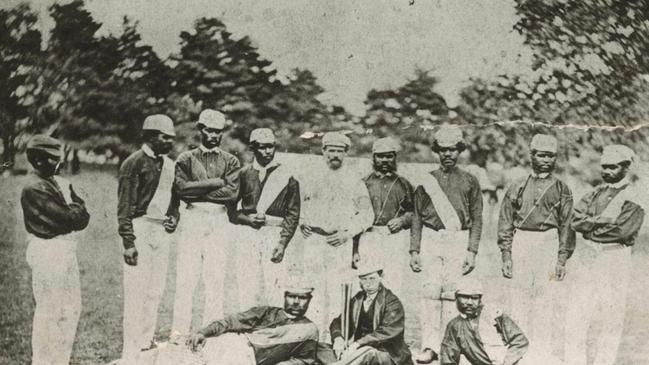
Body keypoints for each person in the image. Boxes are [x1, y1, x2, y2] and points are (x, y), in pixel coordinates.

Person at [409, 124, 483, 363]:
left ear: (459, 151)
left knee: (453, 296)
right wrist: (415, 250)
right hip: (432, 238)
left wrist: (471, 251)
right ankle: (430, 346)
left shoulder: (470, 180)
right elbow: (417, 216)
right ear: (437, 152)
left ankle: (450, 347)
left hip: (458, 239)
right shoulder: (426, 181)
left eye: (453, 150)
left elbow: (478, 218)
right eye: (443, 150)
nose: (448, 154)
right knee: (430, 294)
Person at [564, 145, 645, 365]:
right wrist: (602, 222)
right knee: (578, 311)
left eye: (613, 167)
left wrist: (591, 226)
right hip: (590, 256)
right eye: (604, 167)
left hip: (615, 256)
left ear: (626, 167)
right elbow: (576, 220)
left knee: (612, 314)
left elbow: (622, 230)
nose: (607, 172)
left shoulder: (635, 195)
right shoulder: (596, 193)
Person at [496, 134, 575, 359]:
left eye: (550, 156)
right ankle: (519, 348)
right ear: (532, 156)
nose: (546, 160)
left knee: (545, 296)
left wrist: (561, 259)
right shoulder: (518, 185)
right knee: (519, 295)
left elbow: (567, 226)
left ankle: (542, 351)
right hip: (522, 241)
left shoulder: (562, 188)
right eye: (541, 155)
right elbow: (506, 221)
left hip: (548, 242)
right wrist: (506, 255)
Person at [20, 135, 90, 365]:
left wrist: (76, 211)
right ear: (38, 160)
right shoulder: (34, 187)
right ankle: (42, 361)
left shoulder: (58, 181)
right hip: (47, 248)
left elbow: (83, 217)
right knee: (49, 310)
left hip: (66, 247)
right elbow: (70, 217)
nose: (58, 163)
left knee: (71, 308)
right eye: (52, 159)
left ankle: (60, 360)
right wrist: (75, 210)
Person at [298, 131, 374, 342]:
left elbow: (368, 214)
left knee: (338, 288)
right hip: (314, 239)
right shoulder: (311, 176)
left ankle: (336, 338)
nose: (335, 155)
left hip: (339, 242)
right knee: (312, 286)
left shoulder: (354, 180)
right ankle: (312, 337)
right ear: (323, 151)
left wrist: (347, 233)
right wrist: (301, 222)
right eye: (331, 150)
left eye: (340, 151)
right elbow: (300, 205)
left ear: (346, 154)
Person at [171, 109, 240, 335]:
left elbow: (231, 194)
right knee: (186, 278)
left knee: (215, 278)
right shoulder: (186, 158)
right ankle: (179, 334)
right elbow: (182, 191)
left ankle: (210, 333)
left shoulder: (230, 160)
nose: (213, 135)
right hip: (194, 218)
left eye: (218, 131)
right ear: (201, 130)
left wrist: (199, 190)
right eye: (209, 130)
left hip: (218, 219)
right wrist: (216, 183)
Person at [117, 115, 179, 363]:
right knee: (136, 292)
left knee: (155, 290)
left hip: (160, 230)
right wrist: (129, 242)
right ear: (151, 137)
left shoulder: (171, 165)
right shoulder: (133, 163)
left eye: (171, 138)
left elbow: (175, 199)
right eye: (165, 137)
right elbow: (124, 206)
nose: (169, 142)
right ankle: (130, 352)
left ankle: (145, 343)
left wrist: (174, 217)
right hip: (140, 228)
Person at [228, 128, 300, 309]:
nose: (268, 152)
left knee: (276, 284)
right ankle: (245, 327)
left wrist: (283, 243)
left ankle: (274, 329)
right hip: (248, 233)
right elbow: (230, 211)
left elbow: (293, 213)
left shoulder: (288, 176)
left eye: (271, 147)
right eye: (262, 147)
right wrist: (248, 220)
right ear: (253, 149)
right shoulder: (244, 174)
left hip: (274, 233)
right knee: (246, 283)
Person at [186, 285, 319, 365]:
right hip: (229, 346)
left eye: (302, 298)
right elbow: (230, 322)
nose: (296, 302)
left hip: (248, 360)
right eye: (291, 296)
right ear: (285, 296)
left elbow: (303, 360)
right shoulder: (267, 312)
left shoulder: (310, 329)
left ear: (309, 300)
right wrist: (203, 332)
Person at [323, 258, 413, 365]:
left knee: (368, 353)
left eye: (372, 278)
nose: (368, 284)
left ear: (381, 277)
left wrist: (357, 344)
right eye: (364, 279)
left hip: (387, 354)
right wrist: (338, 338)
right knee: (319, 347)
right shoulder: (358, 298)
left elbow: (387, 331)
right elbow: (339, 321)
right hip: (358, 350)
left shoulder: (392, 302)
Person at [354, 137, 414, 294]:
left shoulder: (404, 184)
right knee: (367, 280)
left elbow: (416, 212)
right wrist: (354, 250)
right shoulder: (363, 183)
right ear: (373, 158)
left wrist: (402, 220)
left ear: (395, 157)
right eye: (381, 156)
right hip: (368, 238)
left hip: (393, 238)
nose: (385, 160)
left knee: (393, 281)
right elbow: (353, 216)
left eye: (389, 156)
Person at [439, 278, 529, 365]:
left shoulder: (493, 314)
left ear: (480, 299)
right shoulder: (454, 326)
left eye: (474, 298)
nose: (470, 302)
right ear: (456, 298)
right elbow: (448, 359)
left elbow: (520, 341)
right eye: (465, 297)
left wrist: (506, 362)